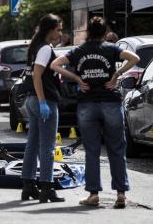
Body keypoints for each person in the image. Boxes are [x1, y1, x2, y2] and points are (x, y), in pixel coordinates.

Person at [51, 16, 139, 208]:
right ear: (105, 32)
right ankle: (121, 194)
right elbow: (135, 58)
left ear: (88, 32)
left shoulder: (78, 51)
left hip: (87, 104)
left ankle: (93, 195)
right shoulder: (111, 48)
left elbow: (55, 64)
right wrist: (116, 75)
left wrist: (76, 78)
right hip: (111, 103)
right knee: (116, 149)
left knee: (92, 150)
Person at [21, 14, 65, 203]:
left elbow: (35, 74)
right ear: (50, 30)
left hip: (32, 100)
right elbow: (37, 75)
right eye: (59, 29)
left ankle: (28, 186)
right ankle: (47, 188)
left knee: (32, 145)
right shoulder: (46, 49)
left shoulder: (36, 47)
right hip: (42, 101)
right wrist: (43, 102)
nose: (61, 32)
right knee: (47, 147)